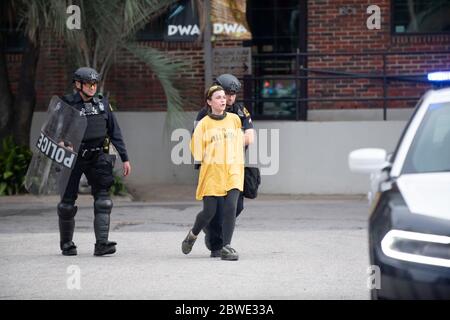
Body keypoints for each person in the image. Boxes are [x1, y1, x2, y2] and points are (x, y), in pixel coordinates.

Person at [57, 67, 131, 256]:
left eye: (94, 84)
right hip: (73, 157)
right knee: (67, 204)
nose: (92, 87)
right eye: (89, 84)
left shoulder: (103, 104)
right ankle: (67, 244)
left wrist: (125, 158)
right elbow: (56, 130)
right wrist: (62, 143)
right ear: (78, 85)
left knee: (104, 201)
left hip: (97, 156)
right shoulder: (67, 104)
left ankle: (102, 244)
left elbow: (114, 131)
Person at [194, 74, 255, 258]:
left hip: (234, 166)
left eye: (234, 94)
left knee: (237, 207)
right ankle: (216, 244)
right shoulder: (204, 114)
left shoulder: (240, 111)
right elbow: (199, 142)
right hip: (212, 167)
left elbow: (250, 137)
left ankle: (217, 235)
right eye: (227, 93)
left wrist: (228, 141)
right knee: (215, 209)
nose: (230, 98)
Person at [182, 85, 245, 261]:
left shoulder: (234, 119)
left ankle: (226, 246)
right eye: (218, 97)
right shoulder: (203, 124)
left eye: (224, 97)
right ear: (209, 102)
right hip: (212, 173)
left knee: (231, 206)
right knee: (209, 212)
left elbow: (239, 143)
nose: (223, 100)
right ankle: (193, 234)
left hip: (233, 171)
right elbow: (196, 150)